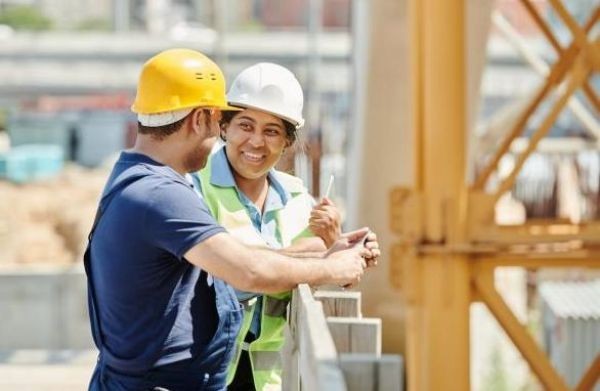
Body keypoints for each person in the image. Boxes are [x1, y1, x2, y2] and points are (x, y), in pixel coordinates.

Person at [85, 48, 379, 391]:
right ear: (200, 119)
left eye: (271, 131)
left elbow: (248, 259)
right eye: (221, 121)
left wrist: (329, 252)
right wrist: (333, 268)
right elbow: (246, 270)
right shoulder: (162, 194)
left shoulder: (142, 181)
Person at [190, 63, 346, 391]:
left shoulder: (298, 197)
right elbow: (222, 280)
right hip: (204, 372)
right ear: (225, 127)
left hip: (272, 378)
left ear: (287, 141)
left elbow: (322, 276)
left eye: (272, 131)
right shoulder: (193, 190)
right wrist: (301, 259)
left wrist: (334, 245)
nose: (256, 142)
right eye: (245, 125)